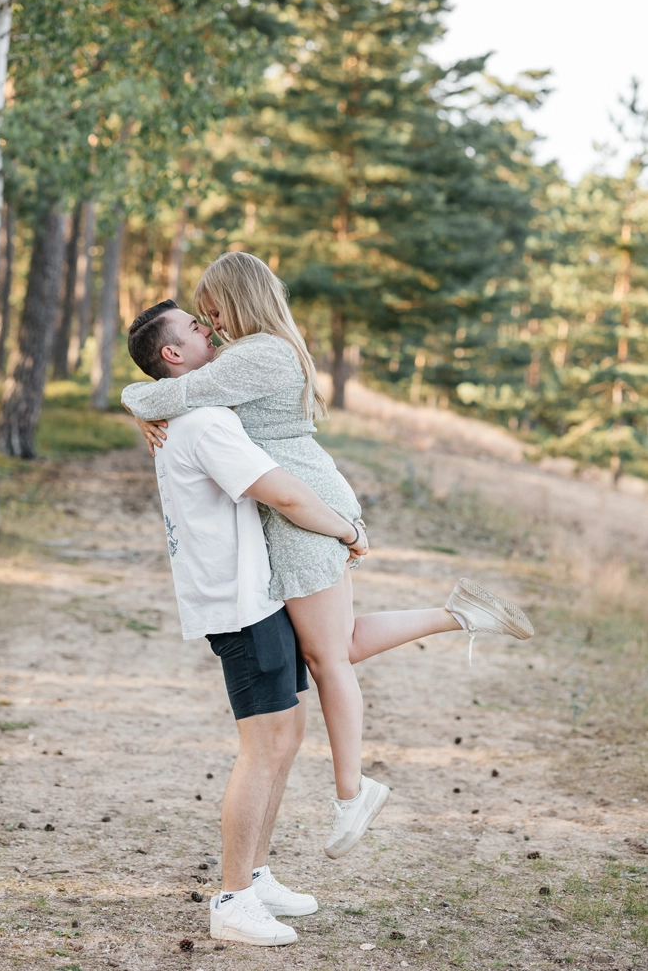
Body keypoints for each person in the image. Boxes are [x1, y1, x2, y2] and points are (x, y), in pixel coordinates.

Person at [122, 253, 534, 861]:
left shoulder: (256, 354)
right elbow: (174, 390)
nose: (209, 323)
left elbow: (171, 390)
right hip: (303, 502)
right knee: (337, 643)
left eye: (211, 310)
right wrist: (148, 405)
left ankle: (352, 791)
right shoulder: (262, 350)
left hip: (301, 509)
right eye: (201, 318)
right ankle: (460, 614)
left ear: (238, 298)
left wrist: (142, 402)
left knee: (327, 656)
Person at [126, 301, 368, 946]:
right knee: (264, 748)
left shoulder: (187, 412)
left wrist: (142, 402)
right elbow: (284, 493)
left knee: (284, 740)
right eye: (196, 330)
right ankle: (232, 900)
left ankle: (255, 875)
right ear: (173, 356)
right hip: (238, 603)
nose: (211, 332)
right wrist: (347, 529)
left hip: (251, 594)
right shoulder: (203, 420)